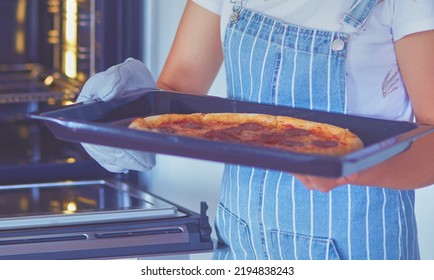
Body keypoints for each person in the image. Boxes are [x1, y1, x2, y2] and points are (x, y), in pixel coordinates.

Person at [77, 0, 434, 259]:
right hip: (241, 244)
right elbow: (176, 91)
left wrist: (349, 170)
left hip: (356, 247)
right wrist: (120, 109)